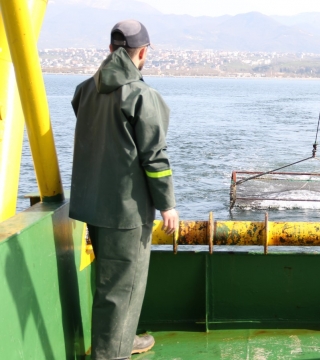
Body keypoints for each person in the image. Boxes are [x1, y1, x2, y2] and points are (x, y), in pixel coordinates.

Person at [69, 20, 178, 359]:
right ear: (142, 53)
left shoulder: (85, 89)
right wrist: (168, 206)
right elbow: (154, 157)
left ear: (110, 50)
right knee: (122, 291)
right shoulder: (142, 96)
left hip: (92, 206)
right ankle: (111, 353)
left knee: (109, 285)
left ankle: (121, 339)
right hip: (125, 213)